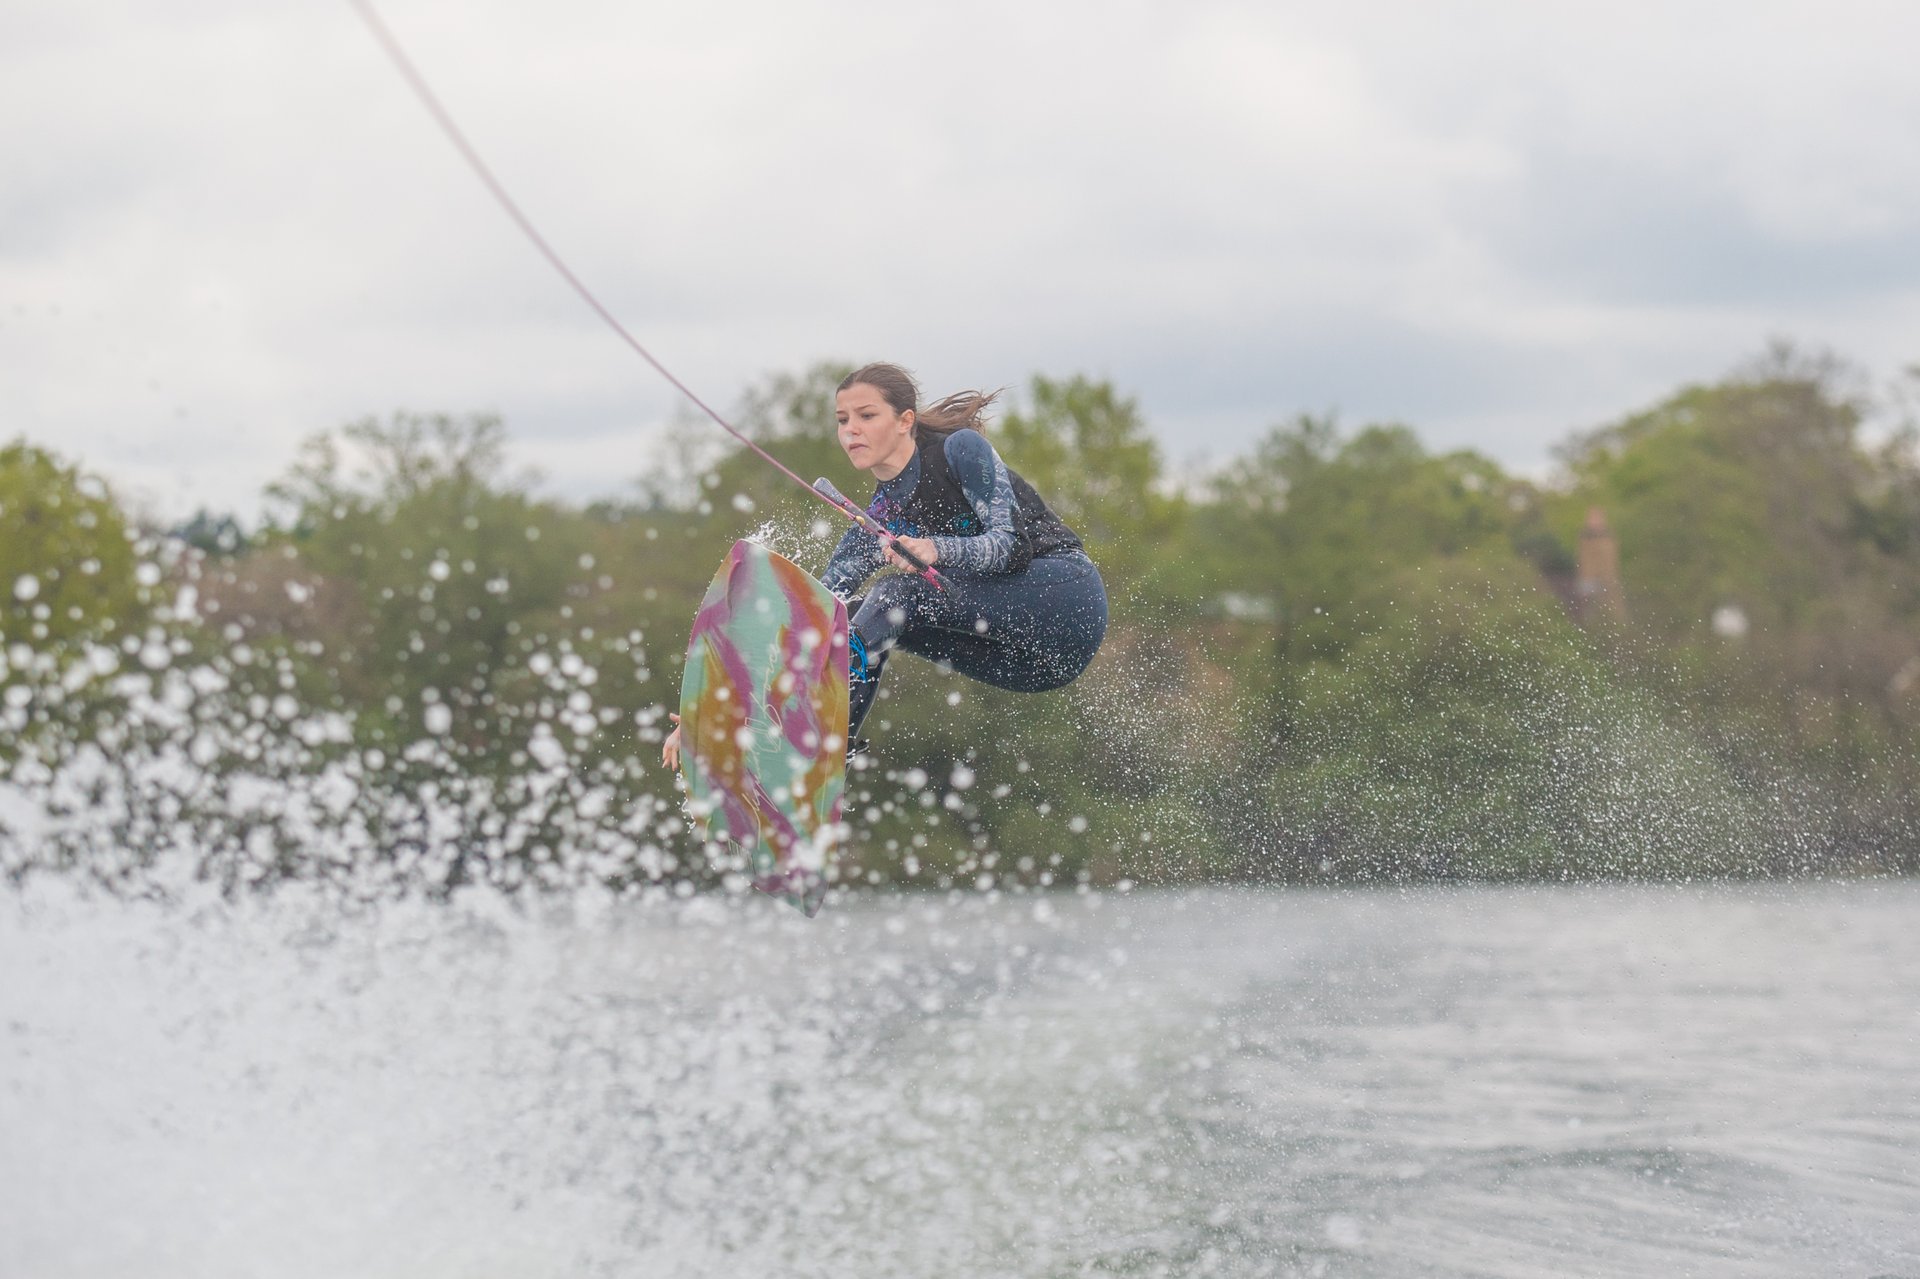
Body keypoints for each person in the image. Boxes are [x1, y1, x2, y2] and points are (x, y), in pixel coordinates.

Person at [662, 361, 1108, 769]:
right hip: (1029, 666)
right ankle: (822, 753)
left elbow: (1012, 546)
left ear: (904, 421)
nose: (851, 430)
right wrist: (718, 708)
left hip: (1065, 603)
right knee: (849, 618)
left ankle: (812, 736)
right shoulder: (882, 517)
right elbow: (812, 614)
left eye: (866, 416)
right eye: (842, 421)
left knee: (896, 596)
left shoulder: (958, 452)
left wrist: (937, 549)